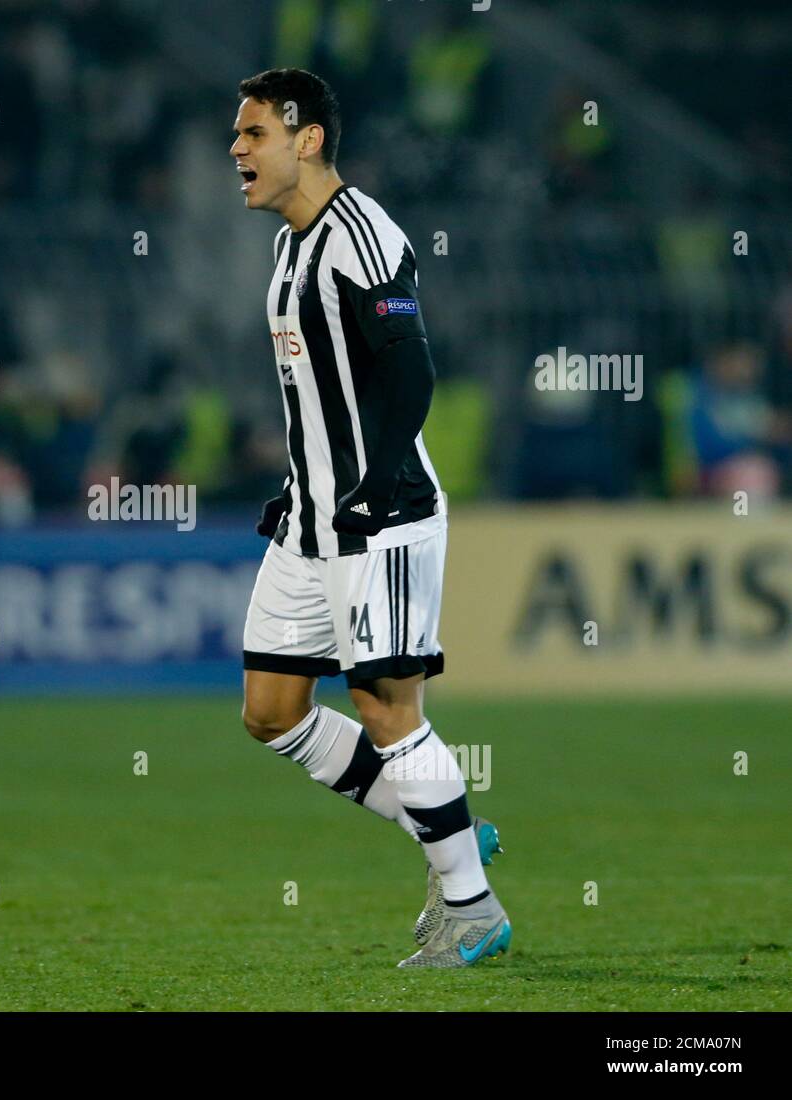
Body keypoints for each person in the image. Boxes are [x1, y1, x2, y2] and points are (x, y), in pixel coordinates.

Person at [230, 68, 508, 968]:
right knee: (271, 712)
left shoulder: (362, 236)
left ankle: (470, 903)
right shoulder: (287, 246)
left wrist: (375, 483)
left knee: (386, 705)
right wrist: (301, 480)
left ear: (307, 139)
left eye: (254, 133)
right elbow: (318, 392)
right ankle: (448, 827)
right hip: (310, 520)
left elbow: (412, 372)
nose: (237, 150)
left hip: (380, 517)